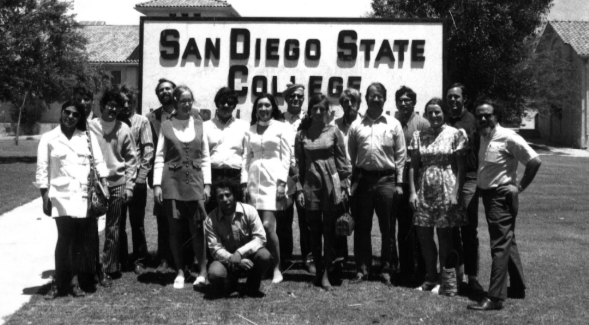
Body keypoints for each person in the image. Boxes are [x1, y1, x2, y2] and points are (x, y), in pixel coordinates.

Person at [467, 96, 541, 311]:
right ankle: (517, 287)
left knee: (499, 246)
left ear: (495, 116)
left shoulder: (508, 137)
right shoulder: (484, 137)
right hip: (488, 196)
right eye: (479, 115)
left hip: (501, 196)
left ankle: (495, 297)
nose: (482, 118)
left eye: (487, 115)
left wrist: (519, 188)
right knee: (508, 242)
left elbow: (535, 161)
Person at [36, 102, 109, 299]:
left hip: (82, 196)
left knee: (78, 241)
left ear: (80, 118)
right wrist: (44, 195)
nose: (70, 117)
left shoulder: (86, 137)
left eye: (75, 115)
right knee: (63, 239)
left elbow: (99, 162)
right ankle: (60, 283)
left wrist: (104, 183)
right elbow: (42, 169)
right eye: (67, 112)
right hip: (60, 196)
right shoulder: (49, 138)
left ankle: (74, 282)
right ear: (61, 113)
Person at [153, 85, 211, 289]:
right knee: (175, 229)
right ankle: (179, 271)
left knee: (197, 228)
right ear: (175, 103)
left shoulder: (199, 123)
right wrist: (157, 185)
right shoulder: (166, 125)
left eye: (189, 100)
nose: (187, 104)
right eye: (182, 101)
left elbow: (205, 156)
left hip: (195, 182)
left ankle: (202, 272)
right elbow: (159, 156)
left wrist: (208, 184)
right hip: (172, 182)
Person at [348, 82, 406, 286]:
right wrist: (352, 184)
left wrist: (399, 183)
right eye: (372, 95)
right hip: (363, 181)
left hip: (386, 180)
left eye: (379, 95)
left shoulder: (393, 124)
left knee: (387, 228)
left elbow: (400, 156)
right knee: (362, 226)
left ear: (384, 98)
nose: (375, 98)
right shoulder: (357, 126)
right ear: (365, 98)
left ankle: (387, 269)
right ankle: (362, 269)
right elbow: (351, 156)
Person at [408, 98, 468, 296]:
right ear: (425, 115)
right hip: (424, 189)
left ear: (444, 113)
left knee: (444, 237)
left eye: (438, 112)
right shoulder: (419, 136)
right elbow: (413, 166)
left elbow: (461, 167)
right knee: (424, 236)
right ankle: (430, 277)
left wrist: (455, 192)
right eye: (430, 112)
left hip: (446, 188)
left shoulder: (455, 134)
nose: (434, 116)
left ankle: (444, 280)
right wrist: (412, 191)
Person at [295, 94, 351, 290]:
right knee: (313, 231)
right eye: (314, 108)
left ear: (327, 111)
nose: (318, 112)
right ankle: (318, 271)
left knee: (329, 230)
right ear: (309, 111)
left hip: (331, 185)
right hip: (310, 186)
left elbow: (343, 162)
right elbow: (298, 165)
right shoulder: (301, 134)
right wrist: (299, 189)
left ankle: (326, 273)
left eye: (321, 109)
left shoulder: (334, 132)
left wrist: (344, 187)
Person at [147, 78, 201, 272]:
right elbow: (156, 152)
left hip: (187, 176)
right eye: (161, 90)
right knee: (165, 220)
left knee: (187, 221)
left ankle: (186, 259)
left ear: (175, 93)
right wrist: (156, 183)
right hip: (165, 176)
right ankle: (164, 258)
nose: (165, 92)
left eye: (168, 88)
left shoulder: (193, 115)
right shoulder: (152, 118)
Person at [89, 87, 138, 286]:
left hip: (117, 183)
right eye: (108, 106)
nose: (112, 110)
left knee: (114, 227)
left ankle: (109, 268)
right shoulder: (90, 127)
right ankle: (91, 267)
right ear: (101, 107)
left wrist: (129, 186)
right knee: (90, 227)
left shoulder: (124, 129)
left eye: (115, 107)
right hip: (96, 185)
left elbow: (132, 160)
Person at [242, 93, 291, 284]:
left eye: (267, 106)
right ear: (255, 109)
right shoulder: (250, 130)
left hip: (273, 180)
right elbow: (246, 158)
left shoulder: (281, 127)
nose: (263, 109)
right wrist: (244, 183)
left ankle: (277, 267)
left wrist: (282, 183)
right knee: (255, 228)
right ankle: (261, 266)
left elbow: (286, 157)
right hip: (254, 180)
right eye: (260, 106)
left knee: (269, 226)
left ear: (273, 108)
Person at [446, 83, 484, 293]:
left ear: (464, 99)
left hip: (469, 178)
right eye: (450, 97)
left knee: (469, 229)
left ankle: (473, 278)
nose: (453, 100)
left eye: (456, 97)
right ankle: (457, 277)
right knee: (451, 229)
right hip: (449, 178)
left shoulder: (473, 121)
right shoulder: (443, 120)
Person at [205, 177, 271, 297]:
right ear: (216, 199)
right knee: (215, 273)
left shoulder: (250, 211)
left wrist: (240, 253)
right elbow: (215, 249)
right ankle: (229, 285)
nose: (225, 199)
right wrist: (233, 259)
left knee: (264, 256)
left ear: (234, 195)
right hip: (226, 261)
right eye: (220, 196)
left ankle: (252, 286)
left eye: (227, 195)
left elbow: (260, 238)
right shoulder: (210, 219)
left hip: (248, 257)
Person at [394, 86, 430, 285]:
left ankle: (423, 269)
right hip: (399, 181)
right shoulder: (393, 123)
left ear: (414, 103)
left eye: (408, 100)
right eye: (401, 100)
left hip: (418, 181)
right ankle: (405, 268)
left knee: (420, 227)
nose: (404, 103)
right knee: (403, 227)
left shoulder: (423, 124)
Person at [117, 85, 154, 274]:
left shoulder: (142, 121)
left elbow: (148, 149)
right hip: (118, 179)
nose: (125, 105)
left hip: (137, 180)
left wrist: (141, 177)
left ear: (134, 102)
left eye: (129, 101)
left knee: (137, 222)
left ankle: (139, 260)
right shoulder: (114, 121)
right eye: (122, 101)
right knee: (119, 222)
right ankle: (122, 259)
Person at [279, 83, 313, 273]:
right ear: (286, 98)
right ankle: (285, 258)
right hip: (284, 174)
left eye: (300, 96)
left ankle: (308, 258)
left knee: (306, 219)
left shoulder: (308, 118)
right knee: (283, 219)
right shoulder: (279, 119)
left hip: (304, 174)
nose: (296, 99)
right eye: (292, 96)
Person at [332, 88, 363, 270]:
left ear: (359, 103)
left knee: (360, 218)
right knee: (339, 216)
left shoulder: (365, 123)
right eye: (345, 101)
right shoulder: (335, 125)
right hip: (339, 177)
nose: (349, 104)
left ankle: (359, 261)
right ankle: (340, 259)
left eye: (352, 101)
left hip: (360, 176)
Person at [204, 87, 249, 213]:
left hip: (235, 176)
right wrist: (207, 183)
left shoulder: (244, 126)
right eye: (222, 102)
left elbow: (246, 156)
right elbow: (204, 157)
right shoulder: (205, 126)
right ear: (216, 104)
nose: (226, 105)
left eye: (230, 103)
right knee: (213, 215)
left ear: (234, 106)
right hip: (214, 176)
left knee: (236, 216)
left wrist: (244, 182)